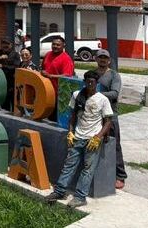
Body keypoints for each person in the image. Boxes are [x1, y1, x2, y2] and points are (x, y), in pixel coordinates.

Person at [46, 70, 113, 208]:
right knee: (68, 165)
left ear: (96, 83)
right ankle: (59, 191)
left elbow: (108, 122)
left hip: (92, 140)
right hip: (77, 136)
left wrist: (98, 137)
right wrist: (70, 132)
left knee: (87, 170)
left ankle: (80, 196)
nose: (89, 84)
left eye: (92, 82)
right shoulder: (77, 95)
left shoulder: (103, 99)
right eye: (87, 81)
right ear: (84, 81)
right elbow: (73, 116)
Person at [93, 49, 126, 189]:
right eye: (100, 57)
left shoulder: (114, 75)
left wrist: (96, 93)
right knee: (96, 143)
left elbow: (114, 93)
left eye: (105, 58)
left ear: (109, 60)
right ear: (96, 59)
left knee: (114, 144)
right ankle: (101, 172)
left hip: (110, 115)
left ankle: (120, 176)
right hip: (95, 116)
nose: (102, 60)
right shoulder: (93, 74)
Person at [41, 35, 75, 121]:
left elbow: (68, 76)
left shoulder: (66, 59)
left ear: (63, 46)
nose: (55, 46)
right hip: (46, 92)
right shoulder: (48, 54)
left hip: (59, 94)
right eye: (53, 44)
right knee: (46, 117)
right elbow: (43, 68)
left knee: (55, 119)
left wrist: (50, 76)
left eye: (58, 45)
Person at [0, 38, 21, 111]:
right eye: (3, 47)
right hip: (0, 83)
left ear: (11, 45)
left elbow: (16, 67)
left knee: (14, 105)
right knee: (4, 106)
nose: (5, 48)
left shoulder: (15, 54)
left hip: (11, 83)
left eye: (7, 46)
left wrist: (2, 66)